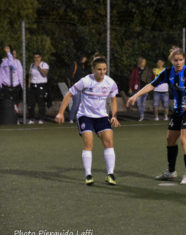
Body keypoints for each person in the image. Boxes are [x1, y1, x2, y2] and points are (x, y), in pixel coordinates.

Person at [127, 47, 186, 184]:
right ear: (171, 61)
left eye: (181, 59)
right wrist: (135, 95)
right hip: (177, 110)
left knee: (184, 139)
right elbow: (152, 85)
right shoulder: (167, 72)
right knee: (170, 139)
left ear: (184, 60)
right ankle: (171, 171)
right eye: (176, 60)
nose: (179, 62)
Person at [55, 56, 120, 185]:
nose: (102, 72)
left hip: (102, 117)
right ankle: (88, 175)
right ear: (93, 69)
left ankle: (110, 174)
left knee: (109, 142)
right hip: (85, 116)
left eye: (104, 69)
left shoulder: (110, 83)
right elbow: (69, 94)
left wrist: (114, 115)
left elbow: (113, 100)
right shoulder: (85, 81)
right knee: (89, 144)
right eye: (99, 69)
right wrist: (61, 113)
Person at [128, 57, 153, 121]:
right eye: (143, 62)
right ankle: (141, 115)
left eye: (145, 62)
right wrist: (130, 88)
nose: (144, 63)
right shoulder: (135, 70)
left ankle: (141, 114)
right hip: (137, 90)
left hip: (145, 89)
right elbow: (132, 79)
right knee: (139, 103)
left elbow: (152, 78)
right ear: (140, 62)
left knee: (143, 103)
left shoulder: (147, 70)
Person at [28, 51, 49, 124]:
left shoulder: (44, 64)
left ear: (40, 58)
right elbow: (30, 76)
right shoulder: (32, 65)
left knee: (41, 103)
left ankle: (41, 118)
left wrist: (39, 67)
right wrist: (29, 85)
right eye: (35, 57)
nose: (36, 59)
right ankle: (31, 118)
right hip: (33, 85)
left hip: (41, 85)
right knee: (31, 103)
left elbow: (44, 74)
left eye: (38, 57)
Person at [67, 54, 88, 123]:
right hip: (75, 86)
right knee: (76, 103)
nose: (86, 59)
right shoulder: (75, 64)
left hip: (82, 87)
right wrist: (70, 86)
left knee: (80, 104)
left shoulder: (82, 65)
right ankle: (71, 119)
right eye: (85, 58)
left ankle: (77, 118)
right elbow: (70, 75)